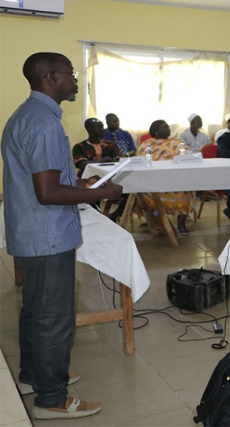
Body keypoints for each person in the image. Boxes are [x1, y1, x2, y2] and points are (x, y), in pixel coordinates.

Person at [2, 52, 123, 420]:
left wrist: (79, 183)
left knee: (36, 311)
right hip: (47, 237)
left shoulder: (25, 115)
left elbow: (44, 180)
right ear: (51, 78)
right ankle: (51, 399)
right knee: (54, 317)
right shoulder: (44, 124)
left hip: (30, 232)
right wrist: (101, 193)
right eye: (70, 74)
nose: (75, 80)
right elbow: (48, 193)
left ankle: (33, 375)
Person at [135, 120, 194, 235]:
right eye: (164, 128)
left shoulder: (178, 142)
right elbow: (141, 161)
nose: (167, 129)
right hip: (153, 179)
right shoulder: (147, 144)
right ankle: (153, 219)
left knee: (185, 190)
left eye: (167, 127)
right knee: (143, 193)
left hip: (175, 179)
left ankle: (181, 224)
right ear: (156, 132)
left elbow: (187, 157)